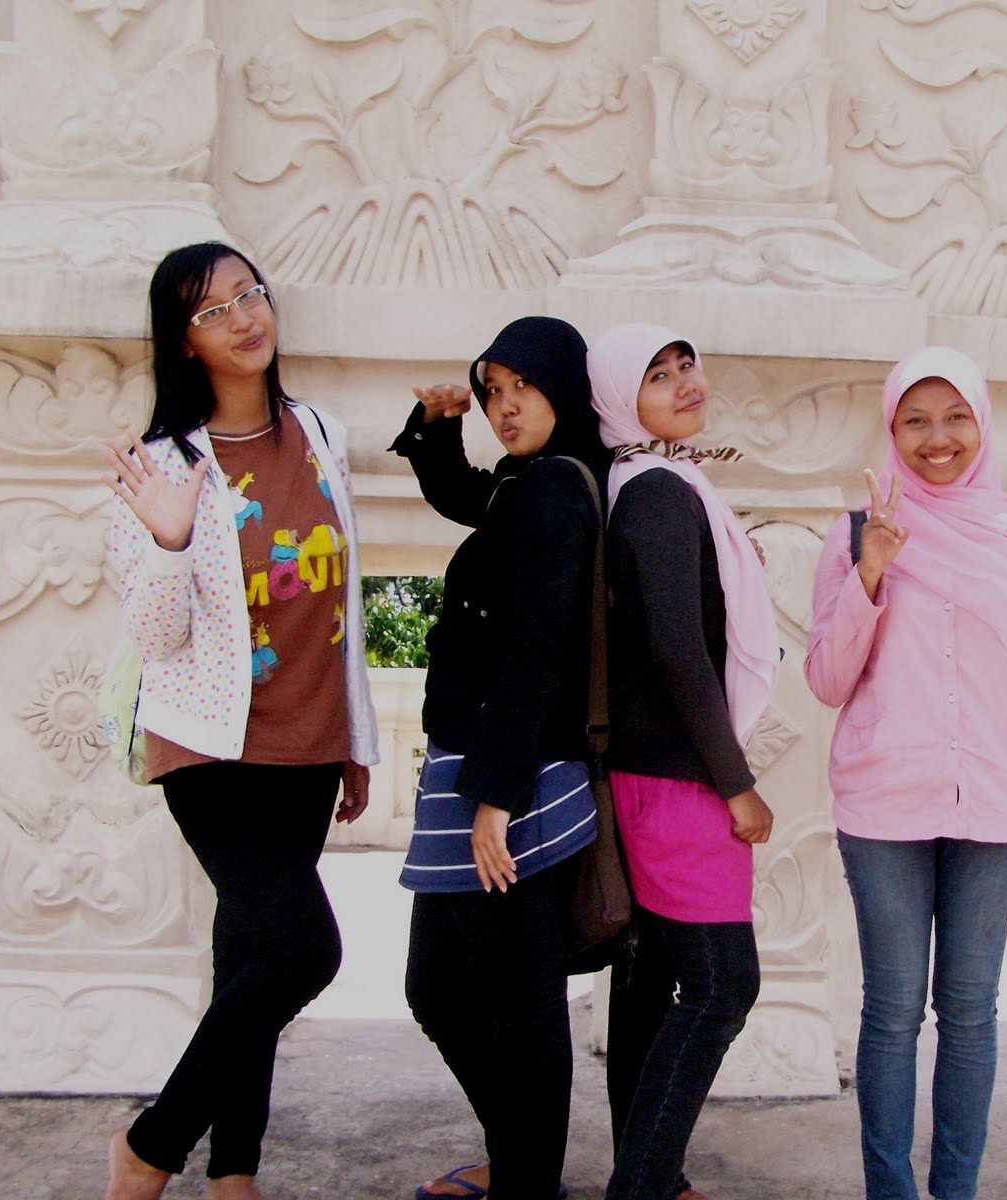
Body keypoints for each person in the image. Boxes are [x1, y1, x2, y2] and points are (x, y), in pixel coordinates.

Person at [101, 242, 379, 1200]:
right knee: (305, 950)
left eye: (248, 294)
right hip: (210, 746)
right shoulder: (160, 465)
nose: (243, 318)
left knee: (250, 956)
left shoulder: (319, 432)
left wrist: (355, 739)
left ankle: (234, 1172)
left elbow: (342, 599)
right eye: (213, 310)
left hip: (309, 743)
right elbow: (155, 635)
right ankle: (150, 1147)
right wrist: (171, 539)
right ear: (183, 339)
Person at [803, 346, 1007, 1200]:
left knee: (968, 1012)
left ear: (982, 422)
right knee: (892, 1013)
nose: (938, 438)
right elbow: (827, 680)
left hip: (997, 808)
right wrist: (872, 572)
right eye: (915, 421)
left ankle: (954, 1190)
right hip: (883, 807)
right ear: (890, 431)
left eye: (956, 416)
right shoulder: (856, 533)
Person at [391, 316, 608, 1200]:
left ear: (567, 385)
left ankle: (525, 1179)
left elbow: (538, 647)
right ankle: (522, 1161)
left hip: (508, 775)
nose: (506, 406)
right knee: (440, 987)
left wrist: (495, 795)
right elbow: (465, 498)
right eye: (492, 392)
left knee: (518, 1006)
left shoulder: (555, 488)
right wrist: (437, 430)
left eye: (524, 386)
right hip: (480, 762)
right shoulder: (529, 482)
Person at [586, 324, 779, 1200]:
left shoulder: (651, 483)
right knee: (721, 987)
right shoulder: (658, 491)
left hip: (653, 772)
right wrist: (736, 783)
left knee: (654, 982)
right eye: (657, 375)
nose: (683, 382)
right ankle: (641, 1187)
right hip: (677, 781)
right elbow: (677, 652)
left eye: (686, 364)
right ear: (619, 399)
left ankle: (653, 1177)